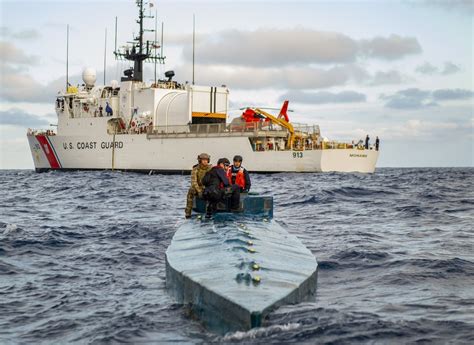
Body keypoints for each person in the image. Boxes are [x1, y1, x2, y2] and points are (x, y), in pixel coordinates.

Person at [185, 153, 212, 218]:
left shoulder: (210, 168)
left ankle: (208, 212)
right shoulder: (195, 169)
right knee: (191, 191)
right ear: (200, 160)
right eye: (203, 160)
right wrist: (199, 191)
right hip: (198, 187)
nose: (205, 161)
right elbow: (194, 182)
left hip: (207, 187)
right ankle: (188, 213)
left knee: (211, 193)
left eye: (206, 160)